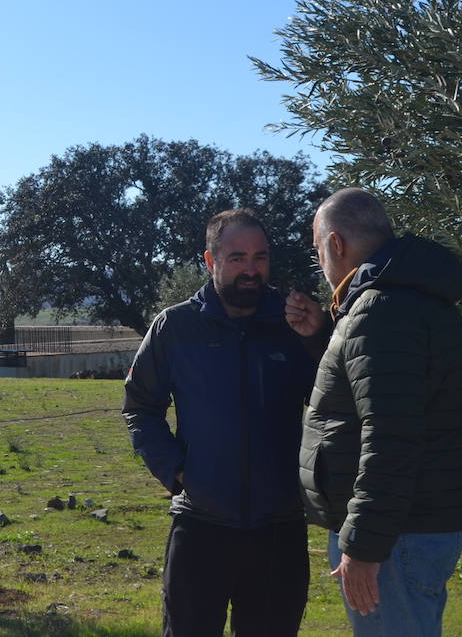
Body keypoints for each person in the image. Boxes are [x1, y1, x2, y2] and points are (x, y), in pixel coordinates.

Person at [123, 208, 327, 636]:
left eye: (260, 257)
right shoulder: (175, 327)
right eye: (237, 258)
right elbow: (140, 405)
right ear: (211, 261)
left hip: (279, 530)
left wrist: (319, 339)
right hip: (201, 526)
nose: (252, 270)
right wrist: (177, 472)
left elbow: (335, 401)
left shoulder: (294, 322)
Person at [288, 188, 462, 635]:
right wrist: (323, 338)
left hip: (394, 538)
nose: (322, 266)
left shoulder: (381, 311)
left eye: (318, 251)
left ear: (336, 244)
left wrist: (364, 547)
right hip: (409, 527)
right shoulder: (411, 299)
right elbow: (373, 399)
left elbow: (391, 437)